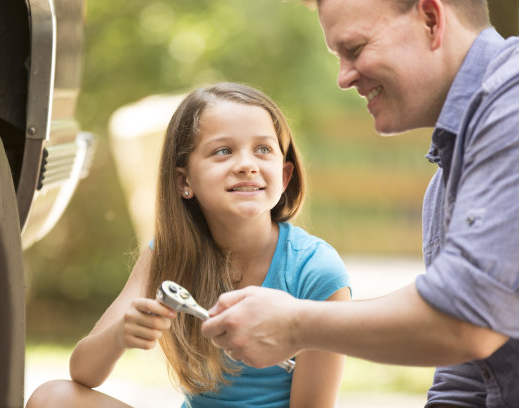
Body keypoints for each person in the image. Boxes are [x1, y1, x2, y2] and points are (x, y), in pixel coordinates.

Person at [201, 0, 519, 407]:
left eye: (354, 49)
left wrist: (295, 324)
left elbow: (465, 320)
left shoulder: (511, 108)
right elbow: (470, 375)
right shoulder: (445, 184)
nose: (343, 78)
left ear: (430, 18)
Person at [26, 82, 351, 408]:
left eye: (263, 149)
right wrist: (119, 335)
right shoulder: (167, 256)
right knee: (51, 399)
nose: (246, 164)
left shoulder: (316, 271)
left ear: (284, 175)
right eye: (223, 151)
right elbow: (82, 373)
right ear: (185, 182)